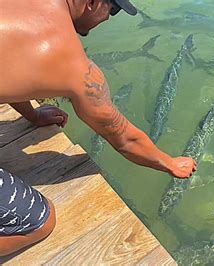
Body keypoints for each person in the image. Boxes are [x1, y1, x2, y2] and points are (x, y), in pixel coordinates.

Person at [0, 0, 196, 256]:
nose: (109, 18)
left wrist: (33, 114)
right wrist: (169, 163)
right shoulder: (77, 68)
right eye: (112, 10)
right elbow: (125, 139)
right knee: (39, 221)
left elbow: (11, 60)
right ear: (92, 3)